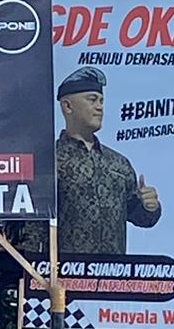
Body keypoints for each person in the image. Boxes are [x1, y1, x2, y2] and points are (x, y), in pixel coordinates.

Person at [55, 66, 161, 255]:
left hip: (113, 271)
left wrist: (150, 206)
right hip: (64, 271)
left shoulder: (118, 164)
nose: (100, 107)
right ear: (67, 106)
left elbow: (140, 217)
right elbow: (33, 229)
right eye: (92, 99)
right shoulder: (50, 161)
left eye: (102, 101)